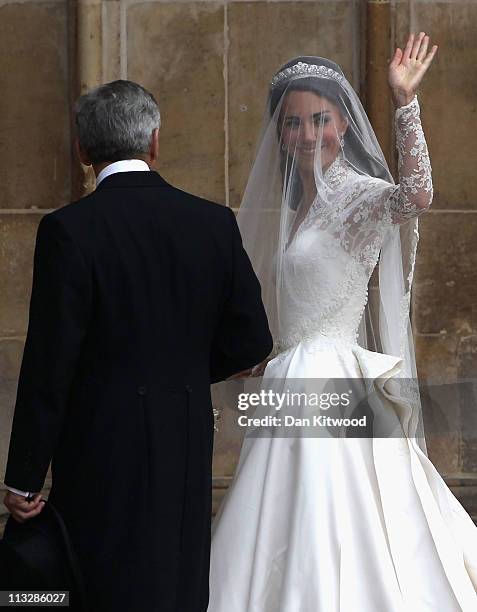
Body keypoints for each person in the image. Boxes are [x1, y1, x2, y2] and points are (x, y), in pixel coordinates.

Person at [208, 34, 477, 610]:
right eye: (294, 123)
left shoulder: (357, 197)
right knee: (279, 510)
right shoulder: (294, 202)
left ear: (344, 125)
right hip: (290, 371)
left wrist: (406, 104)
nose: (307, 135)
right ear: (279, 132)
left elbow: (417, 196)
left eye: (321, 120)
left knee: (336, 507)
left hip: (335, 376)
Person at [3, 80, 273, 611]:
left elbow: (49, 364)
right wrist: (189, 368)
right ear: (154, 141)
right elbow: (252, 341)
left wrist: (24, 477)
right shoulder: (212, 222)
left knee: (100, 580)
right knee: (178, 578)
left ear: (82, 150)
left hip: (99, 444)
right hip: (184, 435)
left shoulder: (68, 229)